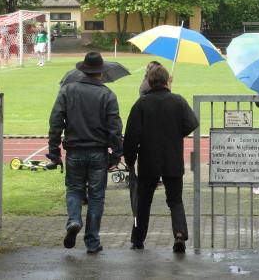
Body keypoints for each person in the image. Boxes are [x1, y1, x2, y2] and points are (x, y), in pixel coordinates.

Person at [47, 52, 123, 254]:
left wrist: (53, 151)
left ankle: (73, 220)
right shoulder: (108, 95)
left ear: (83, 69)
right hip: (99, 152)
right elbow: (115, 129)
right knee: (97, 197)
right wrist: (116, 155)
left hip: (74, 151)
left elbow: (55, 122)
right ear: (102, 71)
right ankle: (92, 241)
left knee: (74, 189)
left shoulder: (67, 90)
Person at [124, 65, 199, 253]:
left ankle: (138, 239)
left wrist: (130, 159)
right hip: (172, 158)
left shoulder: (141, 104)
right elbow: (192, 122)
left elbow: (131, 135)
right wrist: (176, 134)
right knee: (175, 200)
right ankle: (180, 234)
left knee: (143, 201)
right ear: (168, 81)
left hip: (148, 160)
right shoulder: (178, 101)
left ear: (149, 82)